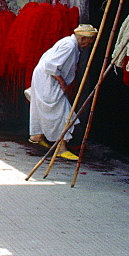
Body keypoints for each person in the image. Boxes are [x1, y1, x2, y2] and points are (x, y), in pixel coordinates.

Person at [28, 24, 98, 160]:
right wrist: (62, 83)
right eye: (88, 43)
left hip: (45, 77)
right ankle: (61, 149)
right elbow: (50, 65)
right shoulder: (69, 46)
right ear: (82, 38)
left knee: (46, 108)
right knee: (62, 112)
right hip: (49, 78)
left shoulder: (70, 43)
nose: (88, 46)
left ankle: (37, 136)